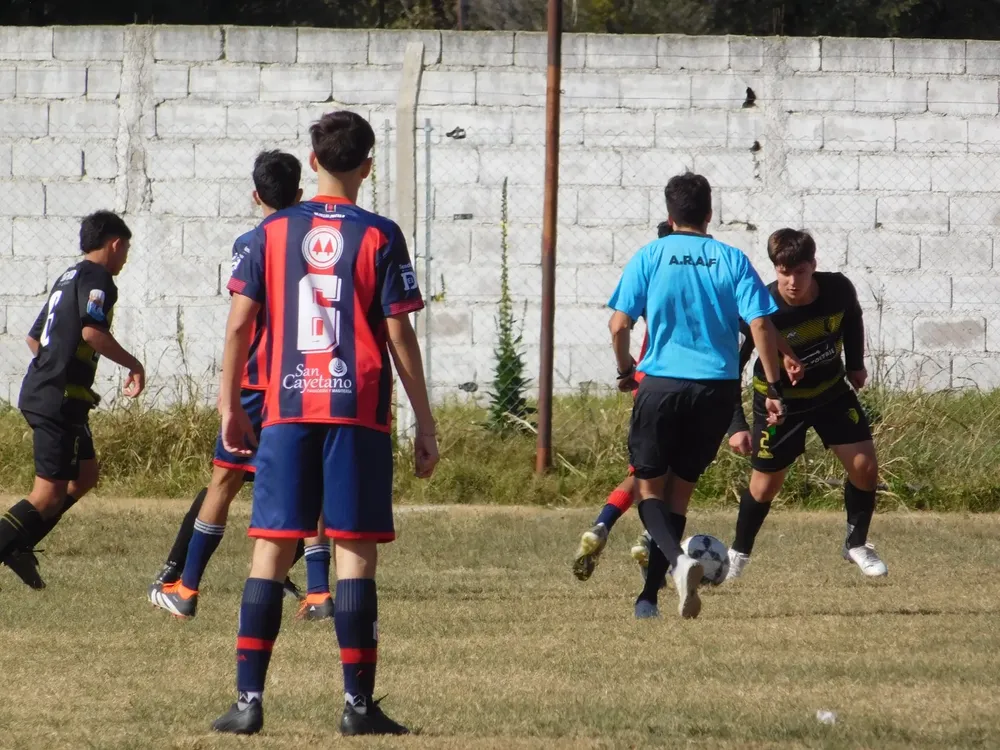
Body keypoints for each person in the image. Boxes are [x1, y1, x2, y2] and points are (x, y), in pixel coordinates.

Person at [210, 111, 438, 737]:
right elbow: (399, 335)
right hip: (357, 412)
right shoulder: (381, 235)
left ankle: (248, 702)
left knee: (271, 547)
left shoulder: (268, 234)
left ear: (312, 162)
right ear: (368, 165)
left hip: (284, 409)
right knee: (354, 553)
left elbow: (237, 326)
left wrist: (231, 405)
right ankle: (358, 708)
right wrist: (424, 422)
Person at [147, 150, 333, 622]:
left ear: (256, 195)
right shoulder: (322, 241)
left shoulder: (251, 242)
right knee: (310, 484)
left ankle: (185, 588)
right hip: (303, 377)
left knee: (224, 482)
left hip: (255, 381)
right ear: (299, 193)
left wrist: (227, 392)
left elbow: (241, 320)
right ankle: (318, 593)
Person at [607, 172, 786, 620]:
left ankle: (678, 561)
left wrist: (627, 370)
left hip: (661, 384)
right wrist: (773, 386)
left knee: (649, 488)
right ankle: (648, 600)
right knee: (679, 495)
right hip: (716, 390)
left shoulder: (649, 255)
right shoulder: (731, 259)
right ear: (710, 214)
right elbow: (761, 324)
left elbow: (618, 325)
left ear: (670, 214)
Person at [725, 228, 886, 580]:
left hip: (830, 391)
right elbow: (729, 368)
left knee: (865, 467)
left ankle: (856, 544)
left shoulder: (837, 289)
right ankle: (737, 554)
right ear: (775, 269)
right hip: (779, 405)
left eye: (800, 272)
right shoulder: (760, 308)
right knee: (764, 487)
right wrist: (735, 425)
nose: (792, 281)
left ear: (814, 265)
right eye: (784, 273)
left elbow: (853, 316)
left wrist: (856, 364)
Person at [0, 211, 144, 590]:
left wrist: (65, 373)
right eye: (126, 249)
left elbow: (36, 339)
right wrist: (134, 364)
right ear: (114, 244)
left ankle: (21, 544)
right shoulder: (99, 278)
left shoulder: (68, 277)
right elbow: (91, 332)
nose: (125, 258)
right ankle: (9, 544)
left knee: (85, 476)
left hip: (61, 397)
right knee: (47, 496)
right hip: (57, 400)